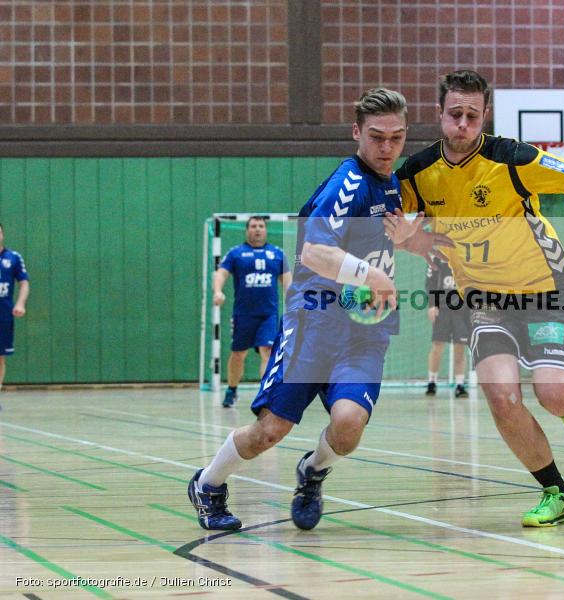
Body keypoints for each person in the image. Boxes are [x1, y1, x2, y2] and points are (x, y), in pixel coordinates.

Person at [188, 87, 446, 531]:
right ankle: (208, 483)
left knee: (348, 427)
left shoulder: (393, 185)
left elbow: (382, 240)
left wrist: (413, 243)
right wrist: (372, 276)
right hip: (314, 324)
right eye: (376, 137)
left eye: (397, 138)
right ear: (356, 133)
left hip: (365, 330)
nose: (387, 148)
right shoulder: (346, 184)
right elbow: (313, 252)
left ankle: (312, 472)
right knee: (270, 432)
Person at [391, 70, 564, 527]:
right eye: (455, 114)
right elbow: (410, 235)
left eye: (472, 116)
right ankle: (556, 491)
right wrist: (408, 241)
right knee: (501, 395)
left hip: (542, 291)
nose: (462, 124)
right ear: (439, 114)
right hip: (483, 299)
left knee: (553, 395)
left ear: (484, 116)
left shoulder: (513, 158)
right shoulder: (415, 174)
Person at [213, 216, 291, 408]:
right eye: (254, 226)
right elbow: (221, 272)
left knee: (267, 351)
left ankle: (265, 395)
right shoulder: (237, 253)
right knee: (238, 354)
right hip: (243, 315)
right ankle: (231, 389)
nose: (258, 229)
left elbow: (287, 281)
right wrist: (217, 291)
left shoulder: (277, 254)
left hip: (268, 314)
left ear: (266, 230)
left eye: (261, 226)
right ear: (247, 230)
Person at [424, 256, 470, 398]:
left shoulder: (465, 257)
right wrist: (432, 304)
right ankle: (432, 382)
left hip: (461, 309)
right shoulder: (436, 259)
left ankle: (460, 384)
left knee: (459, 347)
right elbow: (430, 283)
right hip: (442, 308)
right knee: (437, 346)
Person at [0, 224, 29, 403]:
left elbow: (24, 283)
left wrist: (20, 304)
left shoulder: (14, 258)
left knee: (0, 358)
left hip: (3, 315)